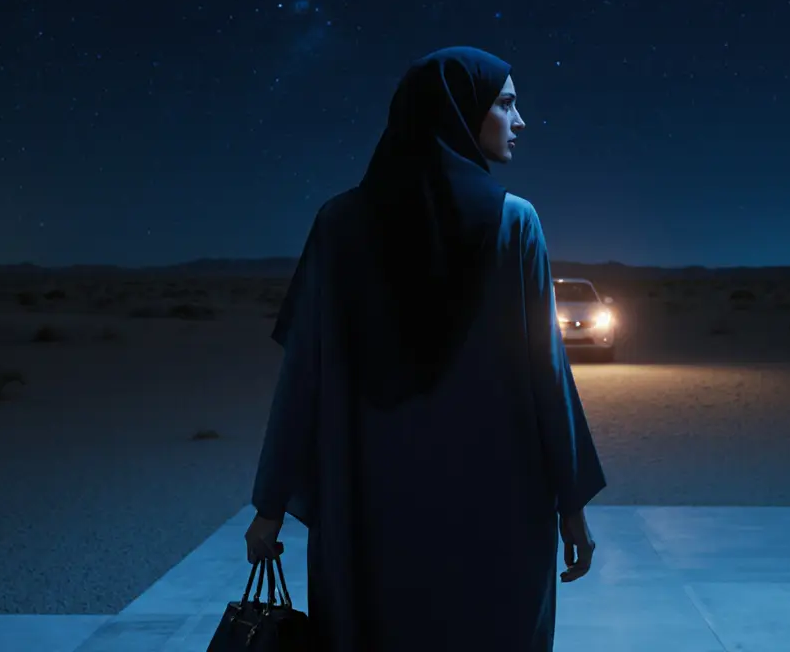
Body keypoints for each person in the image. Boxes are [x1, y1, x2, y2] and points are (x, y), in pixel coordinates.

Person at [243, 46, 607, 651]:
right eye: (507, 104)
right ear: (460, 111)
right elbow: (548, 375)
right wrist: (571, 504)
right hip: (495, 507)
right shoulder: (516, 224)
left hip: (369, 508)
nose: (521, 121)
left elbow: (302, 376)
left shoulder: (339, 224)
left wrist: (269, 505)